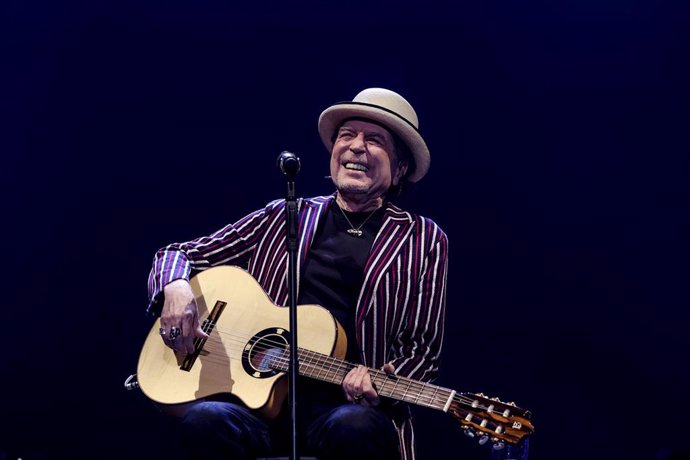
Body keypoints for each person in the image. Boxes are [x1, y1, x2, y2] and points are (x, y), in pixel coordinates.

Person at [146, 87, 449, 460]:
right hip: (256, 406)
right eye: (346, 135)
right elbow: (178, 253)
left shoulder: (422, 238)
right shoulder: (284, 215)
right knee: (205, 420)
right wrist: (175, 288)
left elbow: (421, 351)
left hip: (346, 410)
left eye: (375, 140)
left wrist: (380, 380)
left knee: (354, 427)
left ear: (400, 167)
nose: (356, 147)